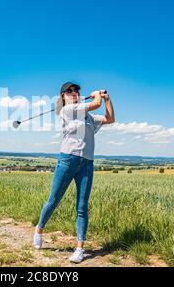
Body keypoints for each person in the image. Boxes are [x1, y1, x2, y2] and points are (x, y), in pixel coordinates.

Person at [33, 82, 115, 263]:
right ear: (63, 96)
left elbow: (110, 119)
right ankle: (39, 229)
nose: (74, 92)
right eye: (69, 91)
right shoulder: (68, 111)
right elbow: (96, 103)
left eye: (76, 90)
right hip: (67, 160)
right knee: (54, 200)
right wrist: (97, 96)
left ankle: (80, 248)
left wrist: (107, 99)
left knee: (82, 205)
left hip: (86, 163)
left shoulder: (89, 117)